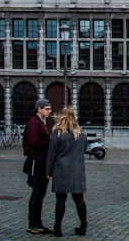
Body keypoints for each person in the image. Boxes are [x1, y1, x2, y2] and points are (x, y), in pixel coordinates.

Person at [46, 105, 88, 237]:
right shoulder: (81, 135)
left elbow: (51, 154)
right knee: (79, 199)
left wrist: (49, 171)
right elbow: (84, 150)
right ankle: (83, 225)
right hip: (77, 170)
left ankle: (57, 228)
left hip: (61, 170)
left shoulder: (57, 134)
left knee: (61, 199)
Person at [23, 97, 54, 234]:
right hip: (36, 161)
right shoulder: (33, 123)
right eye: (46, 109)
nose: (49, 111)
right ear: (39, 109)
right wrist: (50, 143)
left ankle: (36, 222)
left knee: (39, 193)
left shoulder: (40, 123)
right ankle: (34, 223)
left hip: (41, 161)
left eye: (50, 109)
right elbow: (33, 143)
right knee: (37, 192)